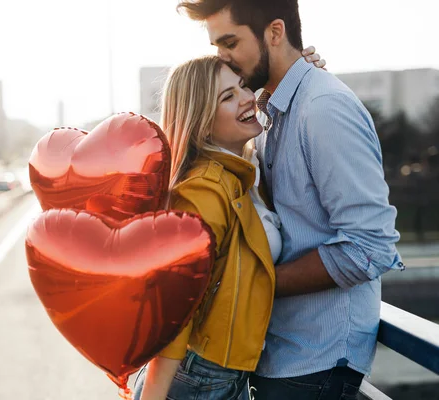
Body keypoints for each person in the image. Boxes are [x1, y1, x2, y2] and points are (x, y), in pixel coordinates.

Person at [176, 1, 404, 399]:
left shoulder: (323, 108)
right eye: (217, 47)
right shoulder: (269, 110)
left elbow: (370, 247)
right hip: (277, 351)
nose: (223, 59)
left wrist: (251, 285)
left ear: (275, 32)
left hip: (316, 359)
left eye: (230, 42)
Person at [133, 49, 326, 399]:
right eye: (228, 96)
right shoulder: (204, 190)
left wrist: (303, 78)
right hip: (197, 378)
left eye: (242, 86)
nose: (247, 98)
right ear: (203, 120)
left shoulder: (241, 173)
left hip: (222, 375)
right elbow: (176, 308)